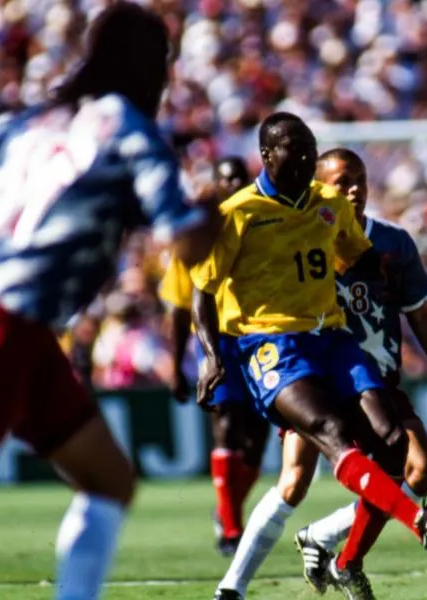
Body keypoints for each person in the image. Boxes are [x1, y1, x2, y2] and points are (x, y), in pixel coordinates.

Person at [0, 4, 220, 598]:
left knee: (109, 479)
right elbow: (185, 242)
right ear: (150, 67)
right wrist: (214, 209)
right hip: (2, 329)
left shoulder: (43, 119)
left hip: (9, 325)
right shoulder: (129, 128)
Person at [193, 112, 427, 600]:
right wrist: (211, 356)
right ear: (267, 155)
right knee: (315, 454)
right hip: (274, 346)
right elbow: (203, 292)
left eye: (310, 145)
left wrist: (386, 274)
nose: (306, 154)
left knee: (394, 442)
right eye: (296, 147)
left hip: (333, 341)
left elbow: (361, 256)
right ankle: (412, 524)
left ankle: (321, 556)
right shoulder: (239, 213)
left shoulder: (328, 206)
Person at [293, 148, 427, 596]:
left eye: (361, 180)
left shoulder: (392, 244)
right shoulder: (301, 243)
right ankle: (331, 557)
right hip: (328, 382)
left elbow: (419, 317)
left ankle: (332, 547)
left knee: (422, 473)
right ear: (318, 188)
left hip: (380, 380)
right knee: (298, 480)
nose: (354, 189)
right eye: (342, 181)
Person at [159, 156, 269, 556]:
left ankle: (227, 510)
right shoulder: (195, 238)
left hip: (260, 338)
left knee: (257, 440)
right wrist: (175, 367)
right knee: (226, 426)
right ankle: (231, 529)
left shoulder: (262, 225)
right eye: (227, 178)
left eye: (240, 177)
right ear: (217, 185)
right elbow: (177, 307)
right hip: (217, 342)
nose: (234, 183)